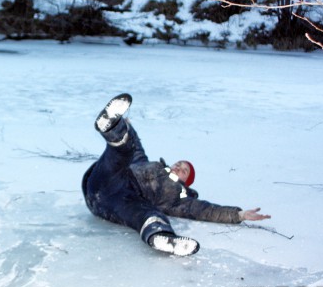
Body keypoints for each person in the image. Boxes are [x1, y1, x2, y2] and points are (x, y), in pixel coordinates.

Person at [81, 93, 271, 256]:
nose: (179, 167)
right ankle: (113, 127)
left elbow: (206, 210)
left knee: (149, 213)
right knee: (123, 153)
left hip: (119, 205)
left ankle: (161, 237)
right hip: (105, 182)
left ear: (186, 181)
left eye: (184, 170)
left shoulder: (179, 197)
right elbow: (136, 146)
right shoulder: (146, 163)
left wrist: (239, 215)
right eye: (179, 164)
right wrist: (128, 127)